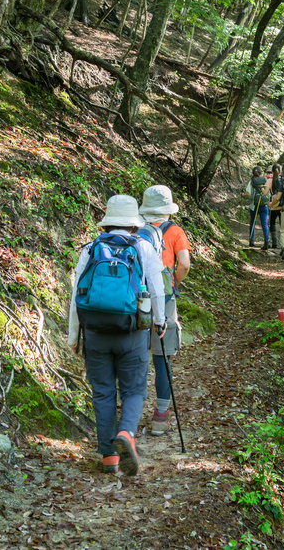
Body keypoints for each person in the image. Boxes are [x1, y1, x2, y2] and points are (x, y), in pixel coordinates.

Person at [68, 195, 166, 476]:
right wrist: (159, 322)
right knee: (134, 389)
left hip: (95, 332)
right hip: (132, 332)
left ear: (107, 222)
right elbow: (157, 290)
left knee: (103, 392)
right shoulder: (144, 247)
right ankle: (127, 433)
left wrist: (74, 336)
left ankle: (109, 458)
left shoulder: (90, 248)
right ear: (134, 223)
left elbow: (76, 294)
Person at [139, 185, 192, 436]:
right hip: (165, 298)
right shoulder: (175, 231)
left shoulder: (135, 230)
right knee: (162, 356)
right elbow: (184, 264)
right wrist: (173, 284)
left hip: (137, 300)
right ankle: (160, 417)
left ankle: (130, 413)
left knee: (136, 354)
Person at [244, 166, 270, 249]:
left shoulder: (251, 182)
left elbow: (248, 194)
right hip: (264, 205)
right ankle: (266, 241)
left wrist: (242, 195)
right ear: (261, 173)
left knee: (253, 222)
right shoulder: (265, 180)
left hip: (254, 205)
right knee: (264, 224)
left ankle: (251, 241)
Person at [267, 164, 283, 250]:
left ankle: (274, 242)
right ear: (281, 171)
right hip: (282, 206)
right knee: (283, 225)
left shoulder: (270, 181)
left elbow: (266, 192)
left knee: (272, 223)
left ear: (272, 171)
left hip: (272, 205)